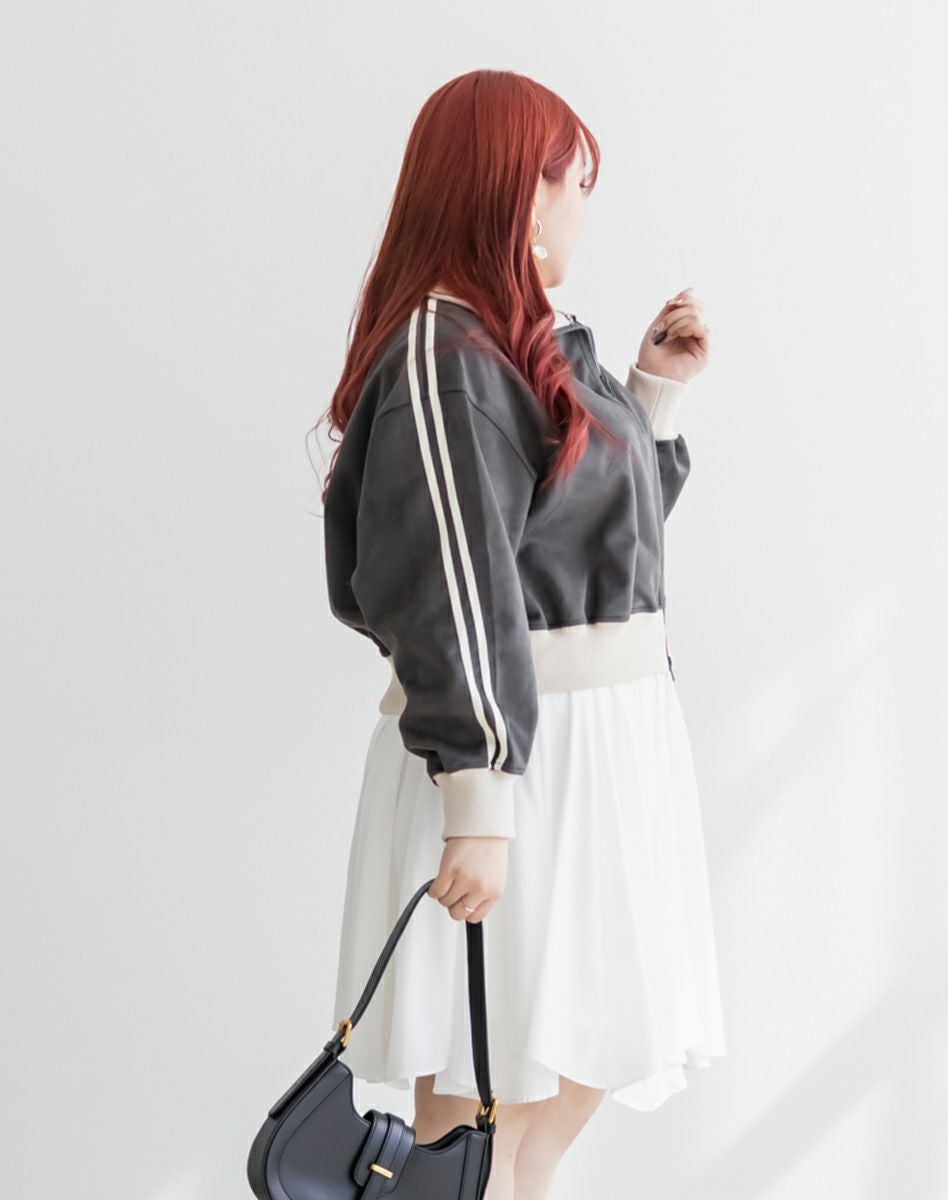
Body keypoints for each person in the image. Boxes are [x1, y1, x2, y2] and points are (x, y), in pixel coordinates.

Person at [317, 68, 726, 1200]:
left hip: (597, 756)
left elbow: (580, 553)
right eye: (574, 182)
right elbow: (452, 590)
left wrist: (650, 399)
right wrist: (479, 802)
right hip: (520, 766)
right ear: (517, 190)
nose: (585, 208)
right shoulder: (444, 354)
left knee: (541, 1117)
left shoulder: (524, 340)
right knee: (479, 1114)